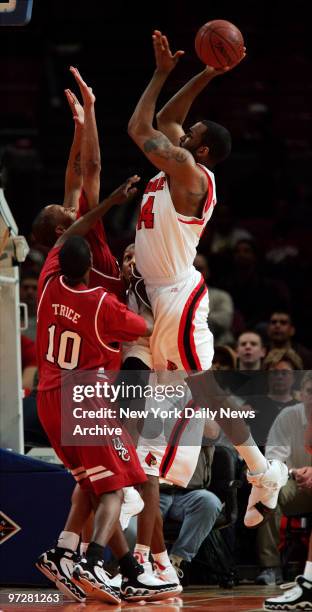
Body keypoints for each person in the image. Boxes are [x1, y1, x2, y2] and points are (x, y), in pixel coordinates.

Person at [128, 29, 288, 538]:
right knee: (174, 398)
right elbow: (168, 121)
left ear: (198, 147)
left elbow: (142, 127)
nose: (180, 131)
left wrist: (158, 74)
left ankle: (259, 473)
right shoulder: (182, 160)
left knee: (201, 391)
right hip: (155, 293)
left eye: (189, 131)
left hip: (175, 295)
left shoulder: (189, 175)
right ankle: (152, 547)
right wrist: (207, 72)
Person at [36, 199, 180, 604]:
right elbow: (148, 328)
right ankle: (93, 560)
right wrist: (145, 287)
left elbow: (67, 233)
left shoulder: (47, 282)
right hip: (87, 402)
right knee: (119, 486)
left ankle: (76, 554)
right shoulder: (100, 303)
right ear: (92, 270)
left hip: (48, 400)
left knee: (92, 484)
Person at [255, 371, 312, 586]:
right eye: (310, 391)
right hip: (295, 482)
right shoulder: (289, 416)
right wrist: (295, 472)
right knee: (269, 490)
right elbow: (273, 459)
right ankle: (270, 566)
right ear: (301, 394)